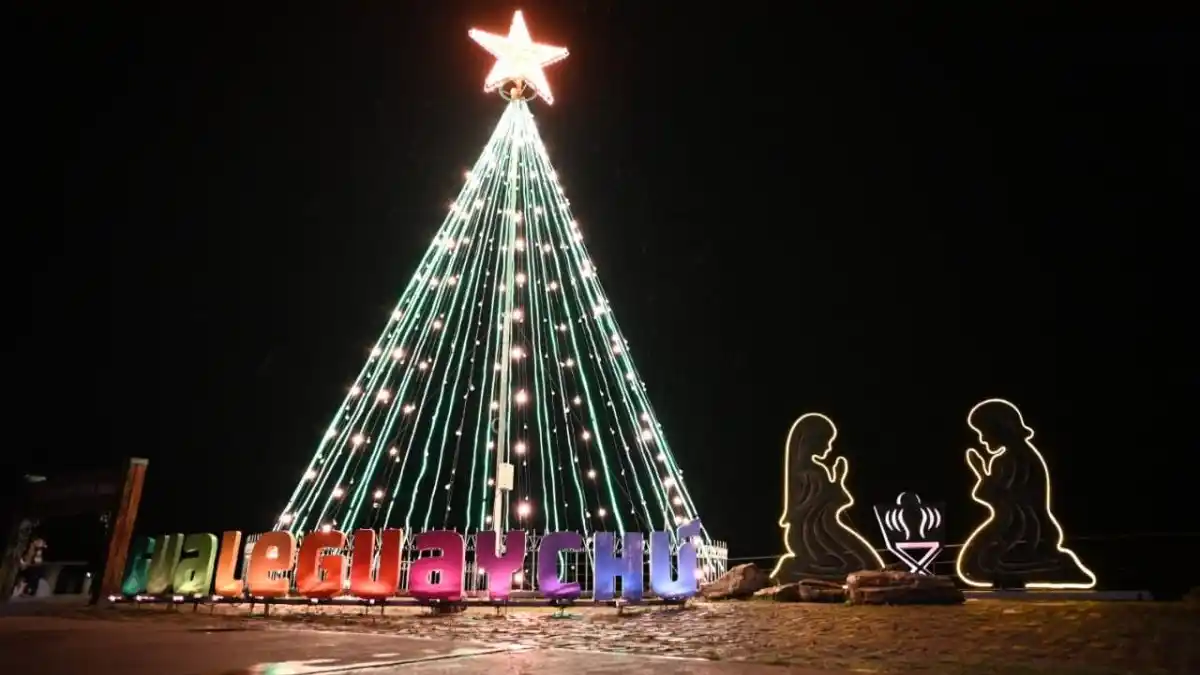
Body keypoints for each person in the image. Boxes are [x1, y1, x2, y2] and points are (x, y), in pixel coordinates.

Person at [771, 413, 884, 582]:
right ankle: (799, 574)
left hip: (821, 527)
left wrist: (836, 482)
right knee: (862, 561)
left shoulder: (813, 471)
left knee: (862, 560)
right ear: (810, 441)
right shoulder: (812, 473)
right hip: (813, 533)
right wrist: (837, 482)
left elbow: (827, 501)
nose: (829, 447)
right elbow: (822, 503)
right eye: (826, 441)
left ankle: (799, 572)